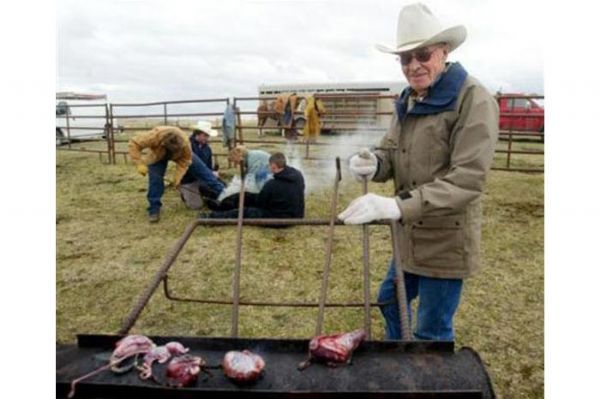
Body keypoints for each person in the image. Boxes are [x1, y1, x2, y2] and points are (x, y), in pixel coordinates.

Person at [338, 3, 499, 341]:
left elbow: (467, 179)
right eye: (405, 59)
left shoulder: (474, 99)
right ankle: (403, 361)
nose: (414, 65)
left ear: (444, 51)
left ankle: (427, 381)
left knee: (431, 329)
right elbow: (392, 151)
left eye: (422, 54)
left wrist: (398, 206)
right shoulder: (409, 99)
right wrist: (374, 162)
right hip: (409, 236)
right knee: (389, 301)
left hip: (445, 239)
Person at [128, 125, 225, 223]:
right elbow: (134, 143)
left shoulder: (185, 145)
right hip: (158, 155)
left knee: (205, 173)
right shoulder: (154, 136)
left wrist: (177, 180)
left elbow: (184, 163)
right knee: (155, 180)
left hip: (181, 155)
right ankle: (154, 209)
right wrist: (139, 163)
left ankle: (227, 195)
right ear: (163, 144)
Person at [204, 152, 305, 220]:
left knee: (246, 211)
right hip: (297, 213)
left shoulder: (272, 184)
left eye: (269, 166)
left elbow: (260, 203)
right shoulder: (298, 175)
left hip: (280, 216)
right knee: (246, 196)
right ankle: (220, 205)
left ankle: (213, 216)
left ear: (273, 166)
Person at [177, 120, 224, 209]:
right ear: (197, 134)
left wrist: (213, 172)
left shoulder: (208, 149)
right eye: (205, 135)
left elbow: (208, 167)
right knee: (196, 206)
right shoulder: (187, 146)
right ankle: (184, 193)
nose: (207, 138)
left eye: (208, 136)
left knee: (218, 189)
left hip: (203, 178)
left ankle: (204, 193)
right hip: (189, 179)